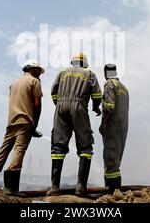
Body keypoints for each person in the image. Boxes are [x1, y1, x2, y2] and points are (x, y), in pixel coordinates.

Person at [0, 60, 44, 196]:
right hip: (25, 122)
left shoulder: (14, 83)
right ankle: (10, 188)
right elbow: (37, 104)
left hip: (11, 122)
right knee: (19, 150)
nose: (40, 73)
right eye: (38, 70)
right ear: (32, 69)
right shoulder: (35, 82)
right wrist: (34, 125)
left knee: (3, 150)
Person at [47, 53, 102, 197]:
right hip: (79, 107)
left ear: (73, 62)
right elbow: (97, 95)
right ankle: (80, 188)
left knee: (58, 146)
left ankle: (54, 187)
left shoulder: (62, 72)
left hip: (60, 107)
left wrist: (60, 105)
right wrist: (96, 107)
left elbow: (53, 92)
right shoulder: (89, 73)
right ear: (84, 63)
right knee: (85, 146)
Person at [99, 63, 129, 194]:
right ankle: (116, 192)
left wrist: (103, 124)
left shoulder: (109, 84)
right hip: (122, 128)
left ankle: (112, 193)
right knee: (116, 160)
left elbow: (109, 106)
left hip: (112, 126)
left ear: (106, 72)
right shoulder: (124, 88)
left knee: (110, 159)